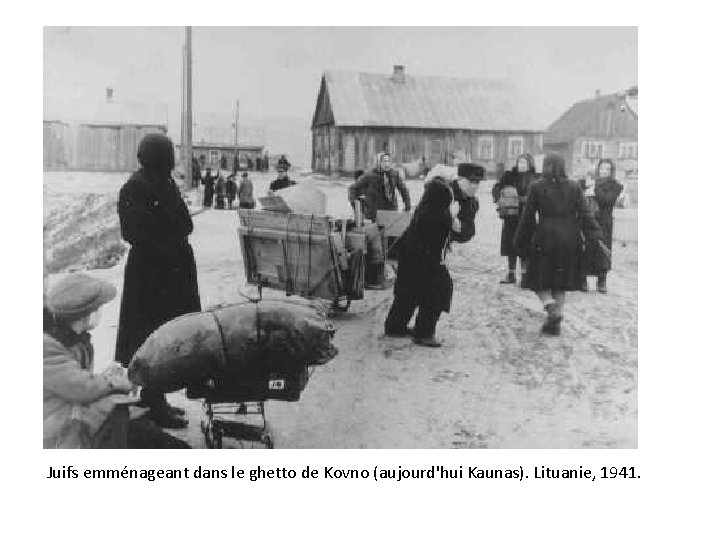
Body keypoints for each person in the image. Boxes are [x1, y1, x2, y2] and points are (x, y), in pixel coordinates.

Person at [115, 133, 200, 428]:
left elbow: (186, 225)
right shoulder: (135, 187)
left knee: (169, 336)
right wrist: (168, 235)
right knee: (150, 337)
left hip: (171, 273)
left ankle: (157, 398)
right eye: (169, 154)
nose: (172, 159)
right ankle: (151, 402)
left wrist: (168, 230)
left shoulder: (165, 183)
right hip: (151, 276)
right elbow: (133, 233)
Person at [513, 154, 603, 336]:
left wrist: (520, 241)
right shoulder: (574, 187)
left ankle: (550, 307)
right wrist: (594, 234)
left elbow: (527, 217)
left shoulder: (536, 187)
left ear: (545, 166)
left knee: (538, 278)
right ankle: (555, 322)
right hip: (570, 238)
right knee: (560, 283)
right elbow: (586, 213)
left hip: (545, 237)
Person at [44, 273, 135, 448]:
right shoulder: (47, 347)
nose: (100, 312)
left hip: (63, 407)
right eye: (98, 308)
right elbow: (81, 388)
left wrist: (105, 377)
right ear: (85, 315)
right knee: (115, 407)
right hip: (51, 425)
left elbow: (75, 380)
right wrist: (113, 382)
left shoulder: (73, 338)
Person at [384, 178, 456, 347]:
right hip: (426, 263)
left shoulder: (423, 209)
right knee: (436, 294)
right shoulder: (440, 215)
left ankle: (395, 326)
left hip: (409, 258)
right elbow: (442, 239)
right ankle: (424, 333)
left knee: (407, 294)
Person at [492, 153, 538, 287]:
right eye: (520, 162)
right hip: (511, 215)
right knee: (510, 244)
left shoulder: (535, 178)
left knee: (525, 244)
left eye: (524, 163)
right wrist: (499, 199)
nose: (522, 165)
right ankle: (511, 274)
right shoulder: (509, 176)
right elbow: (497, 188)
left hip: (527, 215)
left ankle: (525, 276)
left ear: (530, 164)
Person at [580, 158, 624, 294]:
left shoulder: (616, 186)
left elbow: (607, 200)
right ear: (598, 169)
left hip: (604, 223)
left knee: (603, 250)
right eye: (602, 168)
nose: (604, 171)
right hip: (588, 221)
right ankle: (583, 280)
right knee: (586, 249)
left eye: (607, 169)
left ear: (611, 171)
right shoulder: (589, 182)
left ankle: (602, 280)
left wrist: (595, 188)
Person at [348, 152, 411, 222]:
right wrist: (355, 204)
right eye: (384, 161)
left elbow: (403, 190)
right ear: (378, 163)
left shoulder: (394, 174)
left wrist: (407, 205)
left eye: (388, 161)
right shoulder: (369, 176)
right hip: (374, 211)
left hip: (391, 209)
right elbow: (353, 188)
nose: (387, 164)